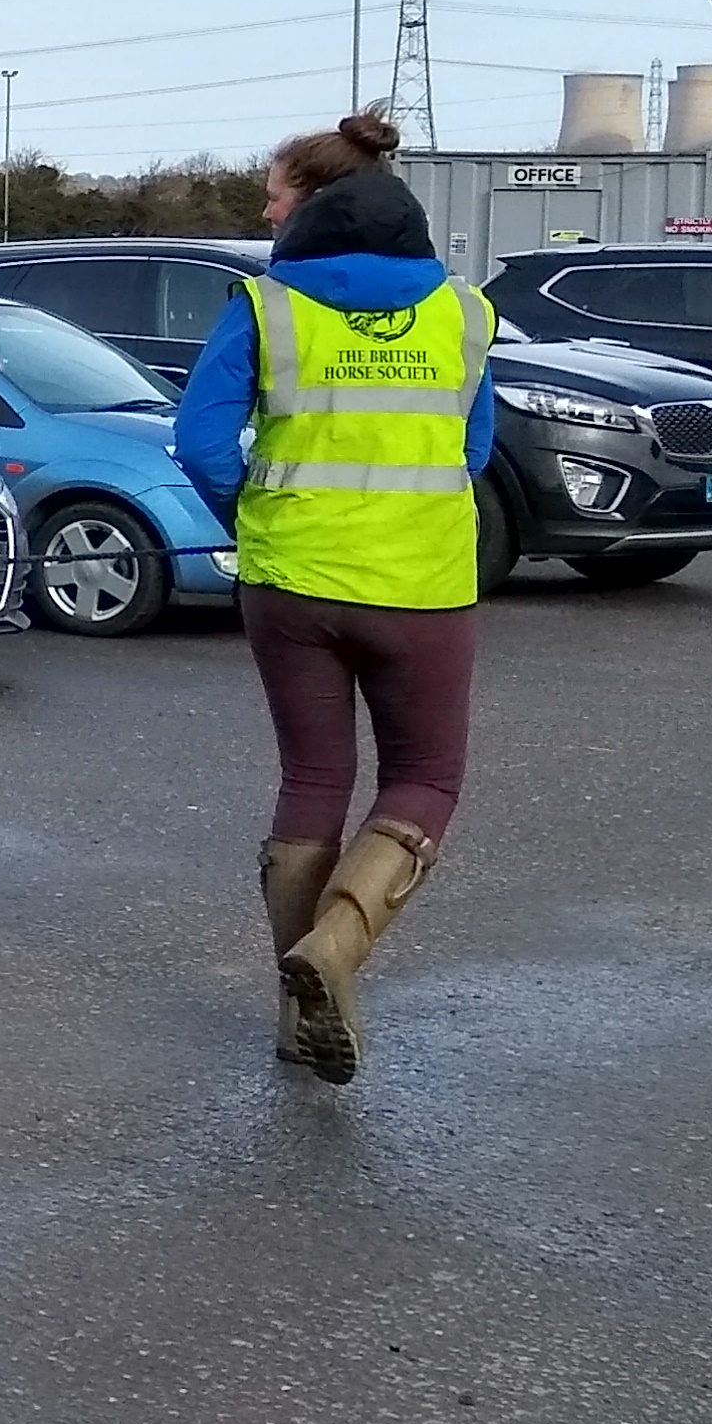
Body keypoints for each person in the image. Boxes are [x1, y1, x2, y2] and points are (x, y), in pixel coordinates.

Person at [174, 110, 499, 1083]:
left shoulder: (265, 306)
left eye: (274, 195)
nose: (265, 211)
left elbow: (199, 441)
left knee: (313, 779)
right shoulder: (464, 313)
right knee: (424, 778)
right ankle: (336, 951)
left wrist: (262, 515)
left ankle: (293, 1013)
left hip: (290, 584)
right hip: (422, 585)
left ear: (316, 203)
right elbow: (473, 449)